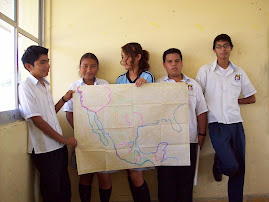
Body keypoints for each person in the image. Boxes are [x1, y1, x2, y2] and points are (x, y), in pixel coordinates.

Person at [195, 34, 256, 202]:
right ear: (214, 50)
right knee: (231, 165)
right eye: (219, 46)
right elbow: (197, 96)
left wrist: (236, 100)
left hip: (236, 123)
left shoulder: (239, 72)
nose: (223, 49)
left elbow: (252, 98)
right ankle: (220, 163)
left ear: (231, 48)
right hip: (216, 124)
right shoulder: (205, 71)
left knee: (240, 169)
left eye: (226, 45)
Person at [18, 45, 77, 202]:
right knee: (52, 193)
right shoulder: (26, 87)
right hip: (45, 149)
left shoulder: (44, 85)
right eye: (42, 62)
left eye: (48, 61)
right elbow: (37, 120)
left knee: (64, 189)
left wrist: (64, 99)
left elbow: (50, 111)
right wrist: (64, 140)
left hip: (58, 147)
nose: (48, 66)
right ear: (29, 66)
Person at [156, 48, 208, 202]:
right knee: (166, 183)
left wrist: (202, 134)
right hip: (165, 143)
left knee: (186, 183)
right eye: (170, 61)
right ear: (164, 64)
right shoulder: (158, 85)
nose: (174, 65)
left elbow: (201, 111)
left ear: (182, 63)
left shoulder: (193, 84)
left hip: (189, 140)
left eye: (177, 61)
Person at [63, 53, 112, 202]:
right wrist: (82, 131)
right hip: (82, 139)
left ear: (97, 68)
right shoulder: (74, 87)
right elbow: (69, 114)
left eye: (92, 66)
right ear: (80, 68)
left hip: (103, 138)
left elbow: (111, 110)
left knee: (104, 176)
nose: (89, 70)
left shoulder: (105, 85)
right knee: (85, 175)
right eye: (85, 66)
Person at [116, 42, 154, 201]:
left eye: (126, 57)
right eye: (122, 57)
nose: (123, 61)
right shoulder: (119, 80)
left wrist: (147, 87)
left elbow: (153, 104)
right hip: (125, 133)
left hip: (141, 133)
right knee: (130, 174)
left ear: (138, 57)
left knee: (136, 174)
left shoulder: (147, 77)